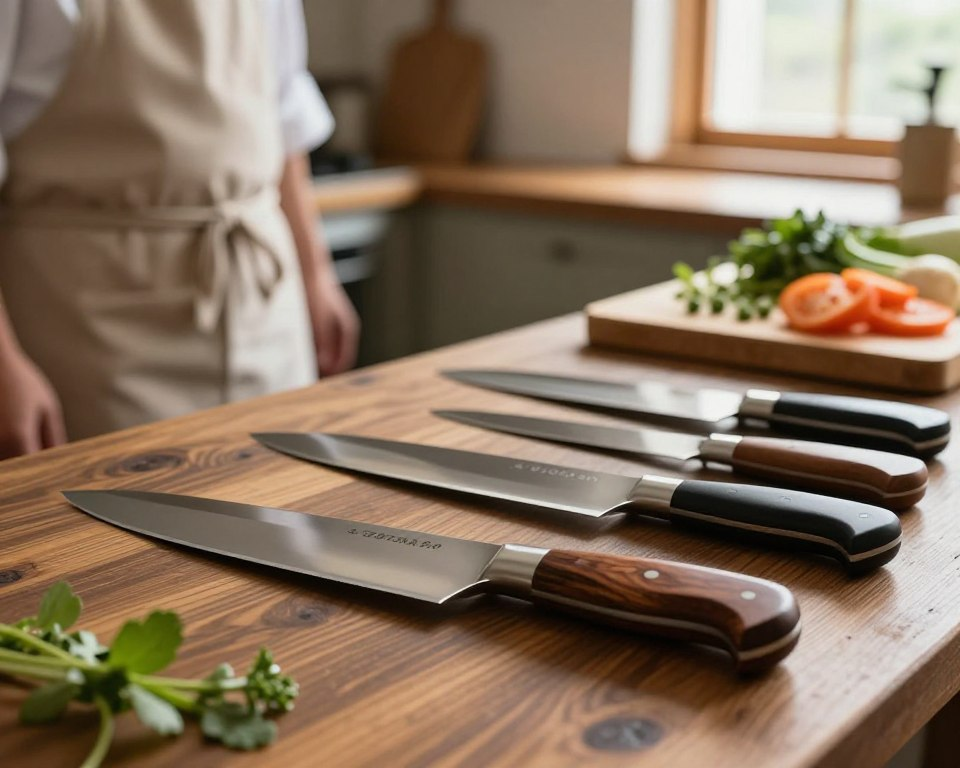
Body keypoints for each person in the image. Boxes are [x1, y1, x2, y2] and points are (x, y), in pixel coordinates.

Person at [0, 0, 359, 460]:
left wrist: (316, 273)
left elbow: (283, 114)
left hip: (265, 311)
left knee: (286, 500)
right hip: (91, 331)